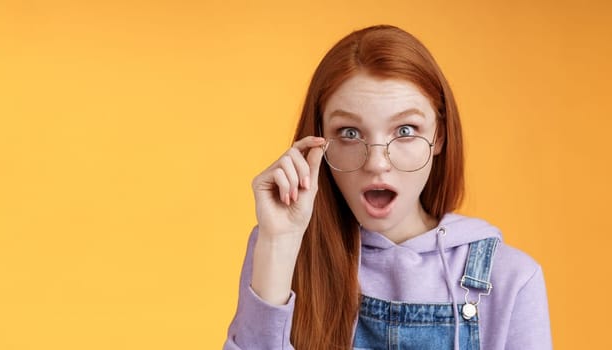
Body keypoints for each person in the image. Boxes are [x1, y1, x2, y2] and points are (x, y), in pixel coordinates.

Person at [223, 24, 552, 350]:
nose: (377, 163)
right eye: (350, 133)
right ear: (319, 142)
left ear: (439, 136)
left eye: (405, 130)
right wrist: (278, 243)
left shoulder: (511, 279)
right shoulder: (283, 253)